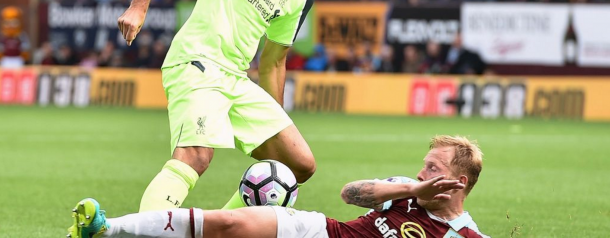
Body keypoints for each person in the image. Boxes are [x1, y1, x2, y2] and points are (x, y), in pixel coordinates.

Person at [116, 0, 350, 213]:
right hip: (196, 60)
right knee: (196, 155)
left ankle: (220, 228)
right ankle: (146, 233)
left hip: (236, 79)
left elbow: (273, 63)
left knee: (296, 166)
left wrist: (273, 119)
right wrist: (138, 6)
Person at [67, 135, 488, 238]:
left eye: (431, 169)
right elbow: (350, 194)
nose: (420, 174)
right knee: (230, 223)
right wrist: (412, 192)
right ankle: (107, 227)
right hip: (324, 232)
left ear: (459, 182)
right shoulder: (405, 190)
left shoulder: (466, 235)